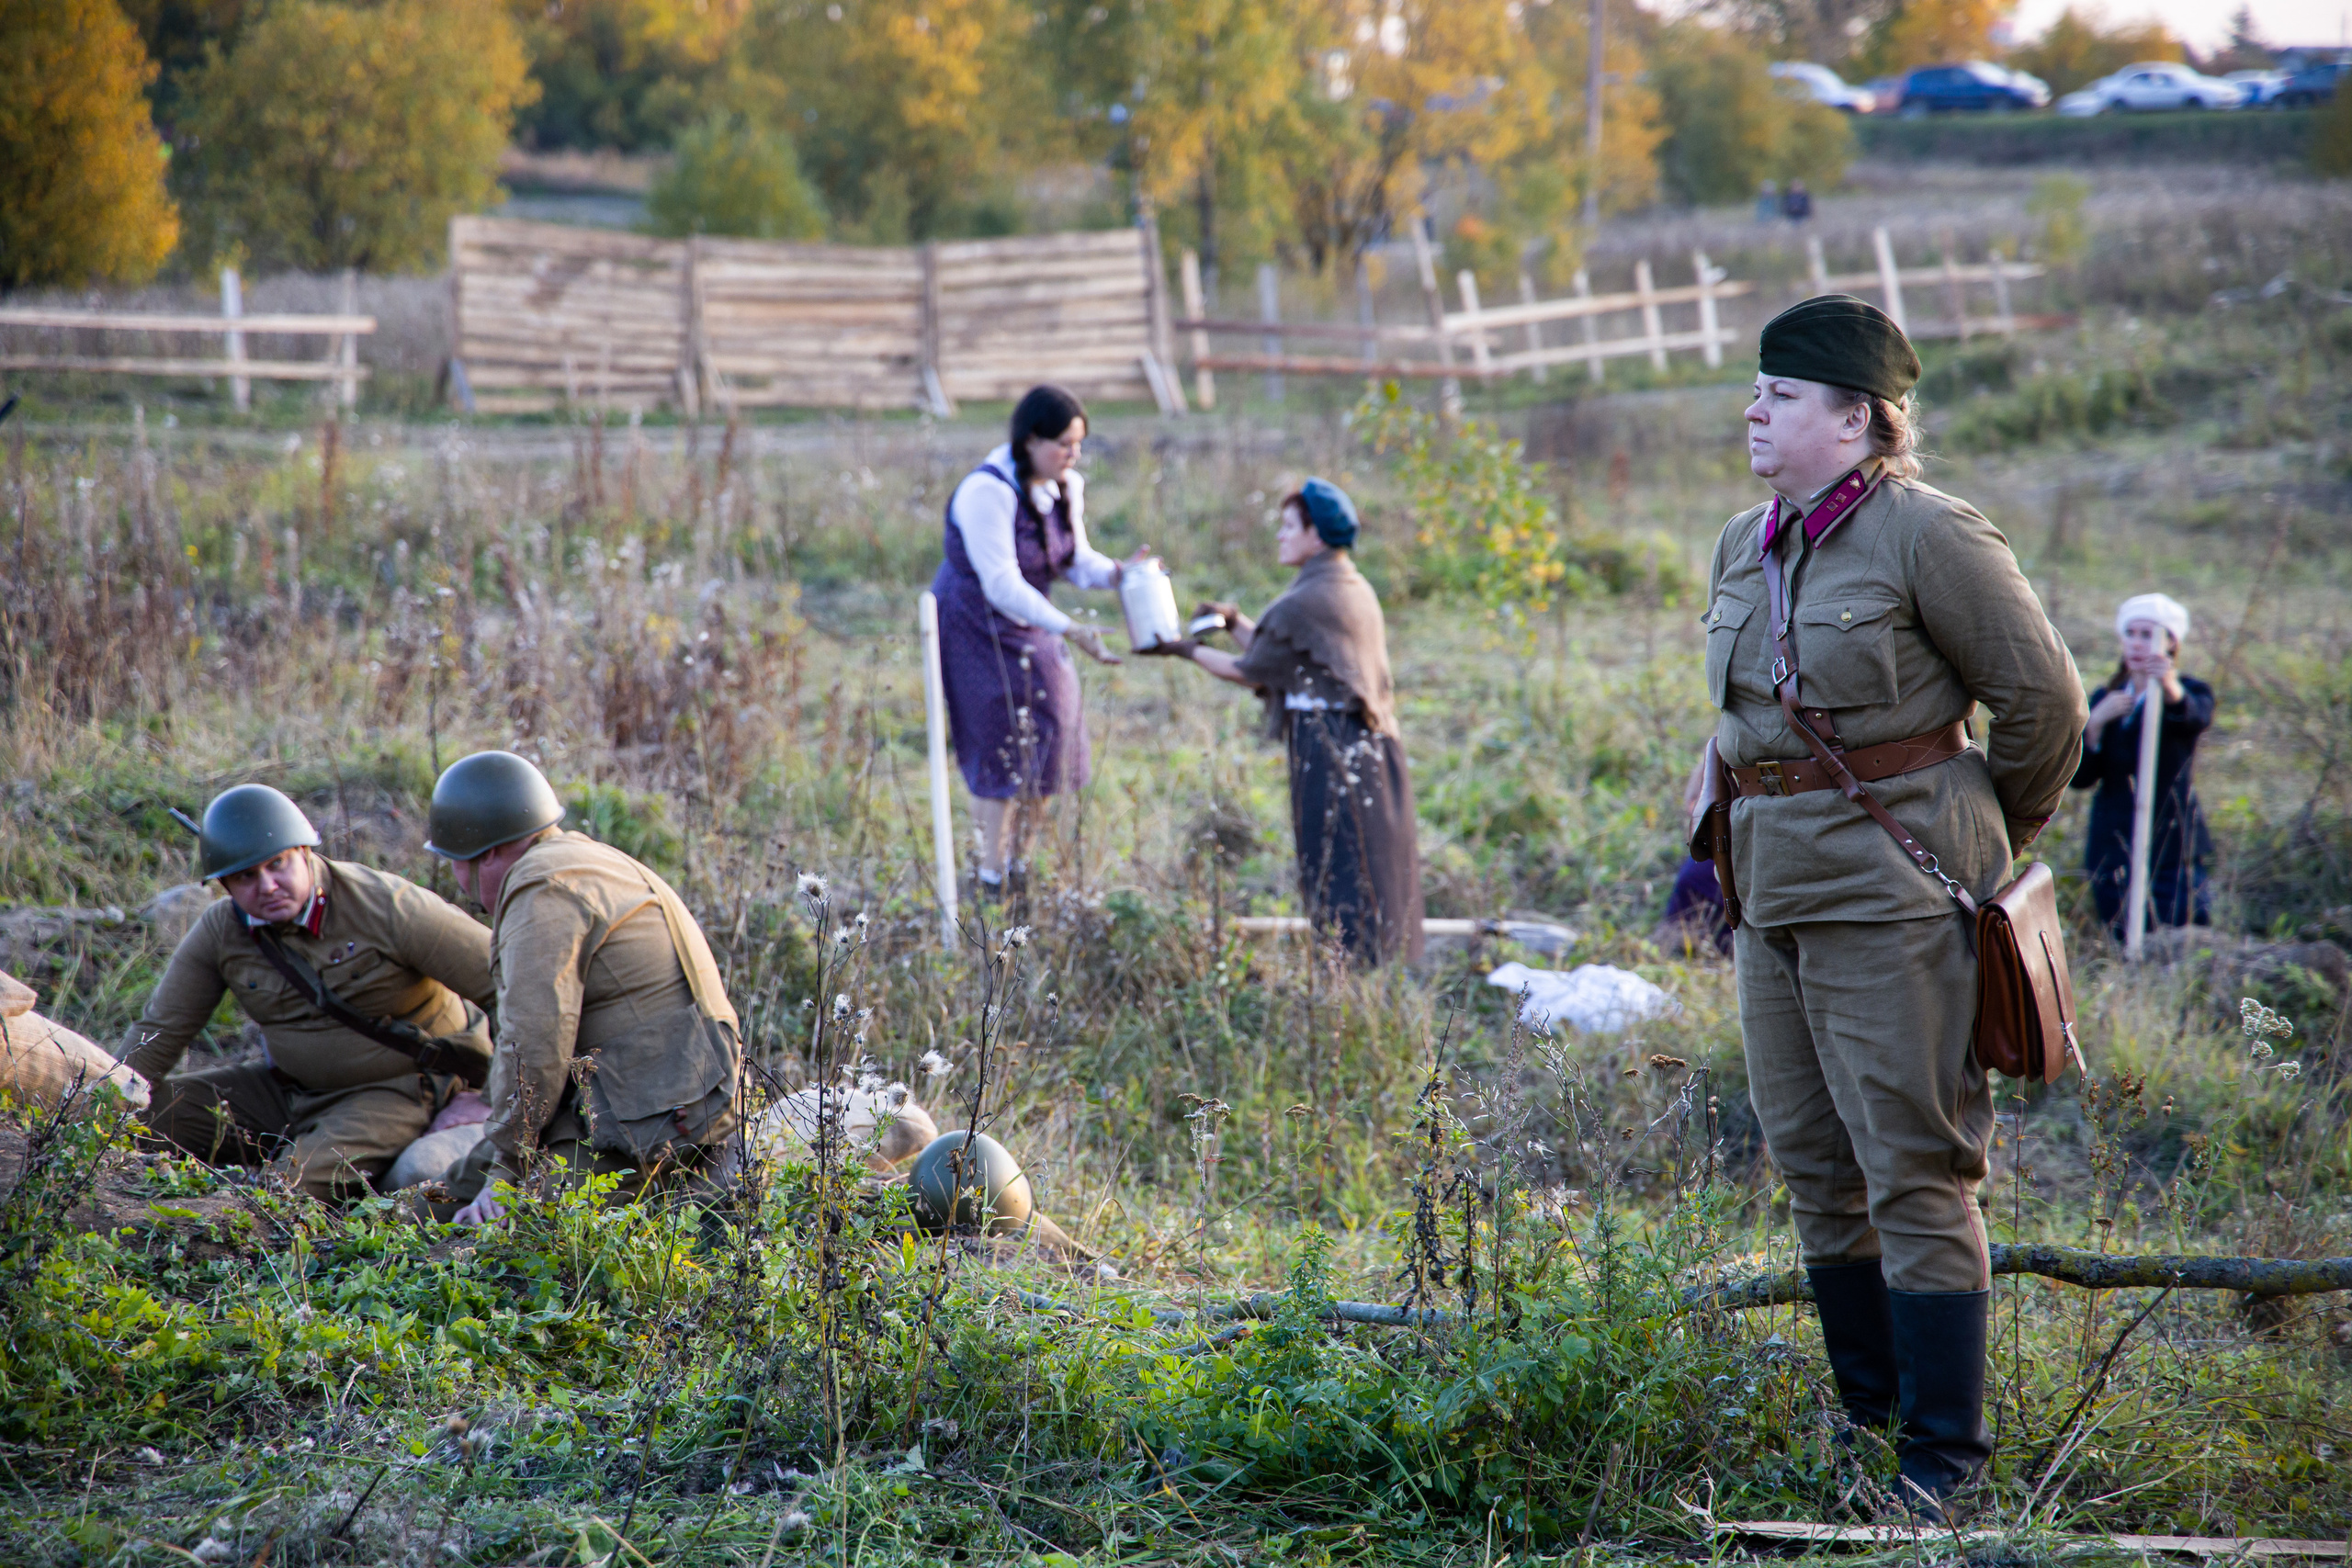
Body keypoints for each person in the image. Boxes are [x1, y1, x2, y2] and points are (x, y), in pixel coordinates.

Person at [1704, 295, 2084, 1514]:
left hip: (1895, 896)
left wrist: (1977, 838)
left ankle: (1940, 1464)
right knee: (1816, 1169)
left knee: (1914, 1168)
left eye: (1781, 394)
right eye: (1757, 389)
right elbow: (1740, 721)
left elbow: (2044, 703)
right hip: (1772, 896)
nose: (1754, 410)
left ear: (1857, 417)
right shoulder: (1744, 540)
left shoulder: (1930, 534)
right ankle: (1864, 1432)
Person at [125, 784, 494, 1199]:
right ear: (225, 884)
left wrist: (492, 1097)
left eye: (277, 864)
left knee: (286, 1192)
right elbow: (161, 1029)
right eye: (246, 876)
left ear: (304, 853)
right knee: (141, 1118)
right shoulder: (221, 931)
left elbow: (509, 984)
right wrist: (104, 1104)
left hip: (397, 1089)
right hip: (289, 1091)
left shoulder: (386, 906)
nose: (267, 886)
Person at [422, 750, 742, 1225]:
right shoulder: (582, 859)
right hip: (661, 1092)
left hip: (651, 1117)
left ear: (485, 854)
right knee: (432, 1203)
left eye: (453, 862)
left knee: (511, 1235)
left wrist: (507, 1166)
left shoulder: (541, 889)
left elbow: (533, 1045)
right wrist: (502, 1155)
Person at [1139, 479, 1425, 965]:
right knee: (1372, 865)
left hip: (1334, 749)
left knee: (1339, 863)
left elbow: (1249, 670)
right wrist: (1234, 623)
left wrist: (1184, 649)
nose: (1280, 535)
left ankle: (1350, 974)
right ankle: (1376, 971)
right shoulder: (1347, 585)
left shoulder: (1307, 600)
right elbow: (1284, 654)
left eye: (1290, 526)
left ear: (1317, 535)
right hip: (1368, 748)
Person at [931, 385, 1136, 897]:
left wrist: (1120, 574)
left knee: (1052, 733)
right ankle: (991, 876)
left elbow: (1073, 560)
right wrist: (1069, 627)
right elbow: (1001, 582)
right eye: (1063, 444)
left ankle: (1022, 864)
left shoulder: (1065, 487)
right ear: (1030, 441)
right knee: (997, 746)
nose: (1073, 454)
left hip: (1031, 618)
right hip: (976, 624)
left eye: (1078, 443)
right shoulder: (987, 491)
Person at [2071, 593, 2214, 936]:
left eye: (2148, 635)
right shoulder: (2106, 698)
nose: (2137, 643)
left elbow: (2194, 716)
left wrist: (2168, 686)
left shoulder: (2188, 691)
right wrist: (2095, 724)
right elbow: (2081, 777)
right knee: (2120, 928)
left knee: (2173, 929)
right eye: (2131, 633)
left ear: (2171, 643)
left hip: (2171, 839)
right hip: (2114, 839)